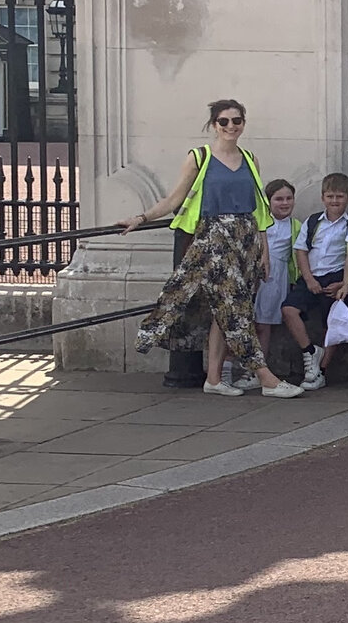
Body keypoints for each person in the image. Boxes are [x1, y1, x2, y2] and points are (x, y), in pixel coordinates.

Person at [123, 98, 305, 399]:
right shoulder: (199, 157)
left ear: (243, 123)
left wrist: (264, 250)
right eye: (224, 121)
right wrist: (141, 218)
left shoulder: (250, 158)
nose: (231, 126)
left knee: (227, 310)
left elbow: (259, 210)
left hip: (244, 241)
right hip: (213, 240)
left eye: (237, 121)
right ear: (213, 125)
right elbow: (173, 199)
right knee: (236, 310)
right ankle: (266, 378)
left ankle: (214, 378)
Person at [281, 173, 348, 389]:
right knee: (288, 310)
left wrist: (343, 283)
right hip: (311, 276)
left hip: (336, 278)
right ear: (323, 198)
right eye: (330, 196)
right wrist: (309, 278)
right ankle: (310, 352)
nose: (334, 201)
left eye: (339, 196)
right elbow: (301, 251)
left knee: (333, 324)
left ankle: (320, 371)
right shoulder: (313, 222)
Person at [252, 178, 298, 384]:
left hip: (276, 278)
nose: (284, 203)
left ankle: (258, 370)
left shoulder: (295, 226)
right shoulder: (259, 221)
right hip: (255, 273)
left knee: (263, 324)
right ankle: (226, 367)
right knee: (243, 322)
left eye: (289, 198)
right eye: (279, 199)